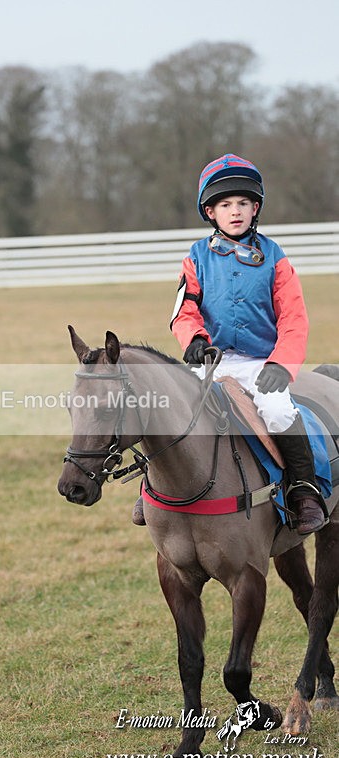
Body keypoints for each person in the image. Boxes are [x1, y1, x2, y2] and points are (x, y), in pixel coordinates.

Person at [133, 153, 327, 535]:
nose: (234, 211)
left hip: (261, 362)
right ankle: (149, 485)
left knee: (275, 410)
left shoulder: (276, 259)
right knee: (171, 405)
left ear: (256, 208)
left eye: (242, 203)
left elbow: (293, 318)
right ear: (210, 212)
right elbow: (184, 309)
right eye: (225, 205)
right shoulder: (196, 258)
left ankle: (303, 489)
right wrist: (192, 339)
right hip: (211, 358)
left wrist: (281, 365)